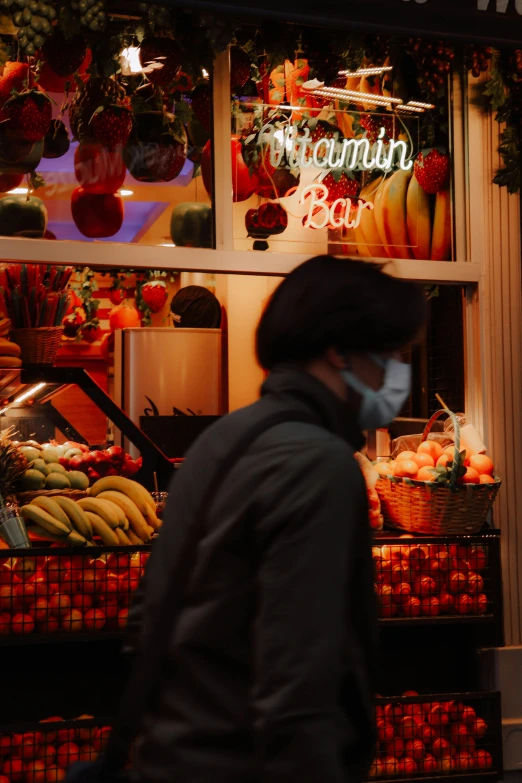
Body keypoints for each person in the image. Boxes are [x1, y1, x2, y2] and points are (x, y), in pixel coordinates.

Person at [127, 255, 427, 783]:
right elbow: (299, 682)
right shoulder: (317, 464)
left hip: (177, 755)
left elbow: (150, 610)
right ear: (338, 351)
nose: (395, 374)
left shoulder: (222, 438)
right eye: (387, 354)